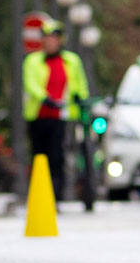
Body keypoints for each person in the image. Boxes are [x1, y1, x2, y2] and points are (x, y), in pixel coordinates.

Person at [22, 20, 89, 205]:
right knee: (38, 155)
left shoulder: (71, 60)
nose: (50, 42)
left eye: (54, 38)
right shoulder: (32, 61)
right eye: (47, 38)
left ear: (60, 40)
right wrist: (46, 99)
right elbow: (31, 84)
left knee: (57, 155)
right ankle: (37, 195)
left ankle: (55, 196)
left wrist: (80, 98)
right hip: (38, 115)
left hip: (62, 115)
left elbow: (79, 83)